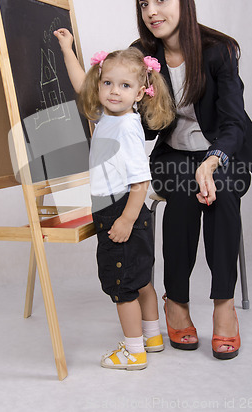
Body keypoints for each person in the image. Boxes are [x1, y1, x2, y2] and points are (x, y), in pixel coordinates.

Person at [132, 0, 252, 360]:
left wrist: (212, 162)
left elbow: (233, 121)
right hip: (173, 153)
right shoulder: (143, 56)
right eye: (144, 4)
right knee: (183, 194)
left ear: (182, 0)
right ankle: (176, 301)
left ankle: (223, 306)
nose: (152, 12)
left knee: (221, 195)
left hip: (222, 149)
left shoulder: (219, 50)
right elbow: (141, 130)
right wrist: (128, 102)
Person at [54, 29, 175, 370]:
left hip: (124, 212)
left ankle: (133, 351)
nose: (113, 91)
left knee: (123, 287)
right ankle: (151, 337)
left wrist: (125, 220)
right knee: (142, 280)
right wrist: (67, 48)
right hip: (128, 213)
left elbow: (141, 182)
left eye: (124, 86)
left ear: (141, 92)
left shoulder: (124, 129)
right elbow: (82, 85)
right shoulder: (109, 117)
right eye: (107, 84)